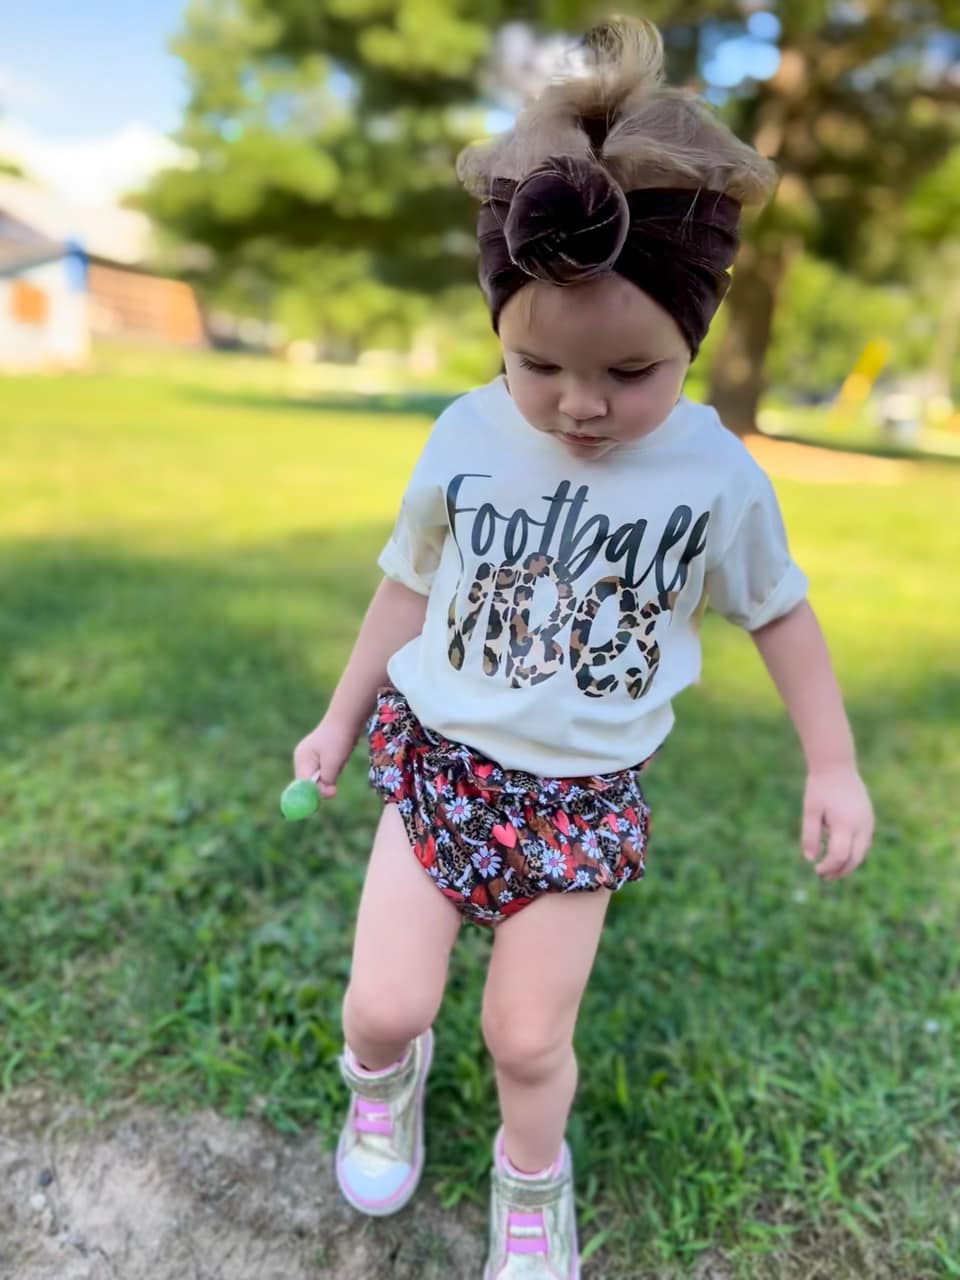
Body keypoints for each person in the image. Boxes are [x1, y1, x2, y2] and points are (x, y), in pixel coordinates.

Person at [291, 17, 874, 1277]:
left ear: (694, 336)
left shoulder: (714, 472)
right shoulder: (463, 433)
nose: (582, 402)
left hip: (580, 802)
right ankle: (381, 1083)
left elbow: (779, 610)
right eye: (536, 362)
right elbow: (405, 587)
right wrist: (341, 719)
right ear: (499, 328)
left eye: (632, 368)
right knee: (387, 1000)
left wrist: (832, 764)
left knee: (527, 1035)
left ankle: (530, 1177)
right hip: (440, 762)